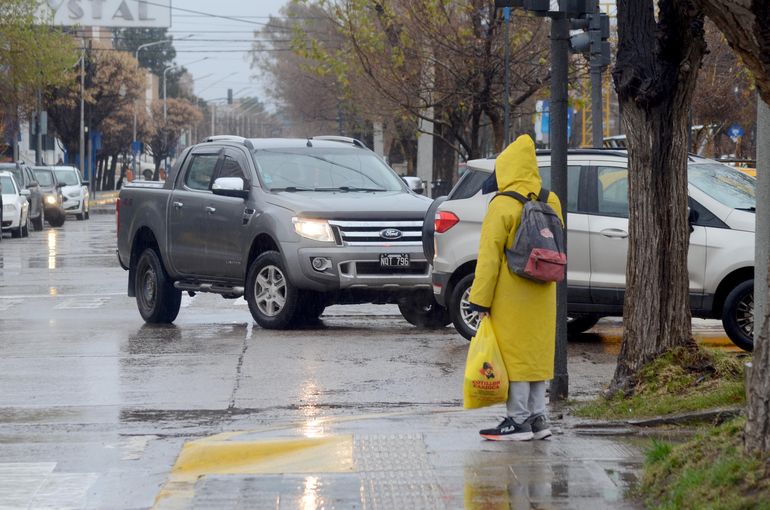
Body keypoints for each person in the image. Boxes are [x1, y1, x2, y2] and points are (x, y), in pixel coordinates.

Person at [468, 134, 563, 442]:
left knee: (514, 356)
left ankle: (517, 420)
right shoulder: (551, 199)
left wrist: (479, 299)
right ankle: (539, 418)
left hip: (511, 293)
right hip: (545, 289)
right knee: (537, 354)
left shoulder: (503, 204)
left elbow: (489, 257)